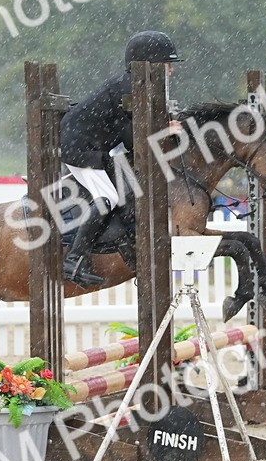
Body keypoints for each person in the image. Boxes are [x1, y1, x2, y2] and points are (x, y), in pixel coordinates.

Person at [58, 30, 182, 287]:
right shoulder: (130, 88)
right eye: (167, 65)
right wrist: (164, 130)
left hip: (92, 148)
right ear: (150, 64)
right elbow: (132, 139)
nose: (171, 71)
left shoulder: (134, 86)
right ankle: (74, 258)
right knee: (108, 198)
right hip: (80, 149)